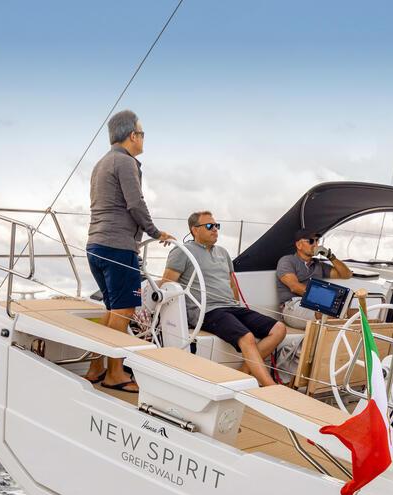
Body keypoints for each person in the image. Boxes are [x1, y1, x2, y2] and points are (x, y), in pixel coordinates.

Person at [84, 109, 174, 392]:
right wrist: (155, 232)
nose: (143, 139)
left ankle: (95, 368)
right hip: (117, 247)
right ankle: (115, 374)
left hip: (96, 245)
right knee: (124, 309)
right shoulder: (125, 162)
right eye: (142, 133)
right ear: (133, 135)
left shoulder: (101, 163)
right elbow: (135, 203)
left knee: (113, 309)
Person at [162, 211, 286, 387]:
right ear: (194, 230)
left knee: (279, 329)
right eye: (209, 226)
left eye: (216, 226)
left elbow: (232, 285)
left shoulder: (223, 252)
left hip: (231, 307)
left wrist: (238, 307)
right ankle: (270, 387)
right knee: (247, 337)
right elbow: (167, 286)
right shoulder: (183, 252)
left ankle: (243, 372)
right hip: (206, 310)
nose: (215, 229)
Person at [276, 228, 352, 329]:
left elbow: (346, 274)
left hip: (316, 304)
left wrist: (330, 256)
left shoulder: (319, 265)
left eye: (317, 241)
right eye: (311, 241)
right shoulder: (287, 261)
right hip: (293, 306)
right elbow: (295, 287)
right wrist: (328, 299)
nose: (316, 245)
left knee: (356, 313)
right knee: (330, 314)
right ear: (299, 245)